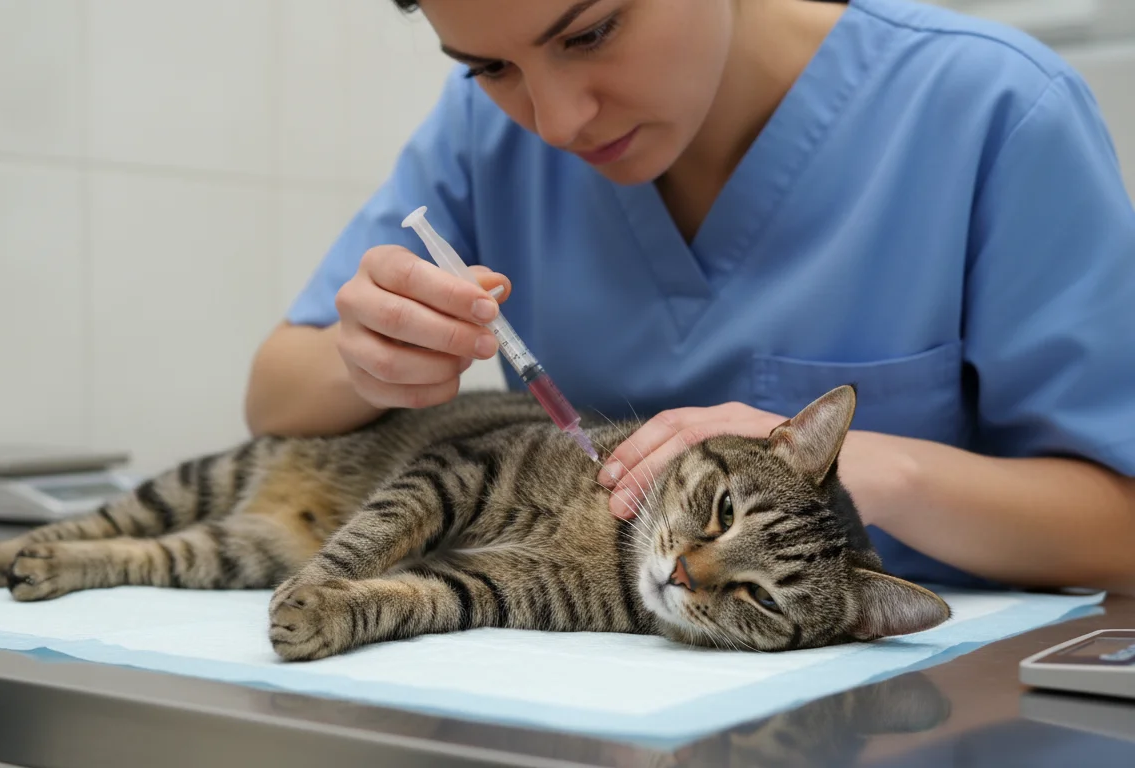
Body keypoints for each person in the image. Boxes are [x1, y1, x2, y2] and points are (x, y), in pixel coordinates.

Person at [245, 0, 1135, 593]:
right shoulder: (483, 131)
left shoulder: (991, 110)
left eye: (589, 33)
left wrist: (883, 474)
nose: (557, 122)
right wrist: (366, 356)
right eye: (489, 65)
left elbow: (1120, 528)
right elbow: (274, 394)